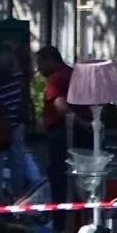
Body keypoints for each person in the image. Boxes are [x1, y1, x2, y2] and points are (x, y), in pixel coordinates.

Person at [0, 41, 42, 202]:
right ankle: (17, 195)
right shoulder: (17, 77)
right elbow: (23, 99)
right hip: (14, 124)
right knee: (16, 158)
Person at [36, 46, 81, 203]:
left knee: (58, 174)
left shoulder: (57, 77)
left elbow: (60, 105)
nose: (39, 69)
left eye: (40, 63)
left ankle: (61, 218)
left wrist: (80, 121)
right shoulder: (71, 73)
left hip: (61, 132)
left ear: (50, 60)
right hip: (73, 131)